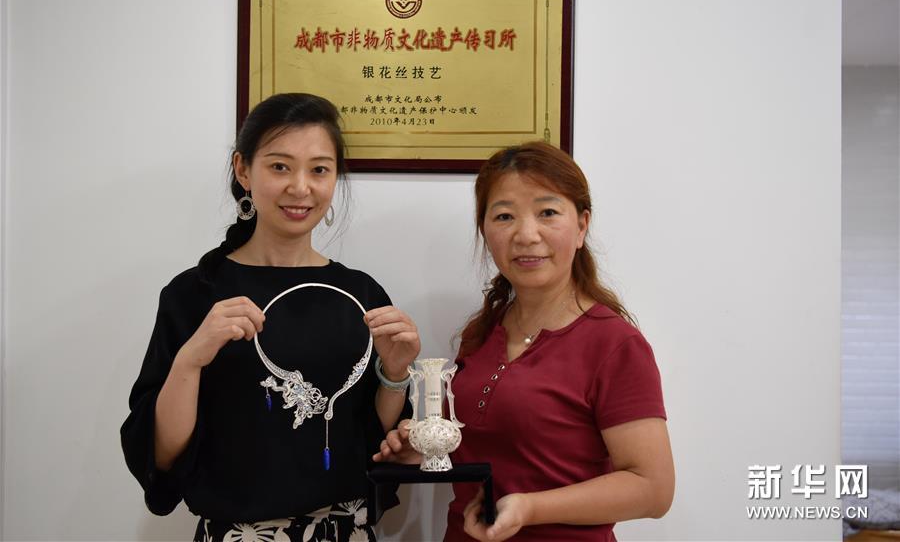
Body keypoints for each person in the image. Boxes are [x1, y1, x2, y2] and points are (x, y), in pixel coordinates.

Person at [121, 93, 419, 542]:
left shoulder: (360, 295)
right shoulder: (194, 294)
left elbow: (376, 443)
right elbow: (161, 458)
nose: (300, 187)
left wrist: (394, 374)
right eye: (280, 166)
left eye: (319, 170)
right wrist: (191, 358)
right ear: (243, 170)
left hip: (345, 532)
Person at [373, 142, 674, 541]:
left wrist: (531, 507)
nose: (526, 235)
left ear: (582, 226)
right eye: (504, 216)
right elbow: (494, 447)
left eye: (547, 213)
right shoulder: (481, 332)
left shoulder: (615, 344)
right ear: (485, 231)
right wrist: (427, 450)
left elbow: (653, 489)